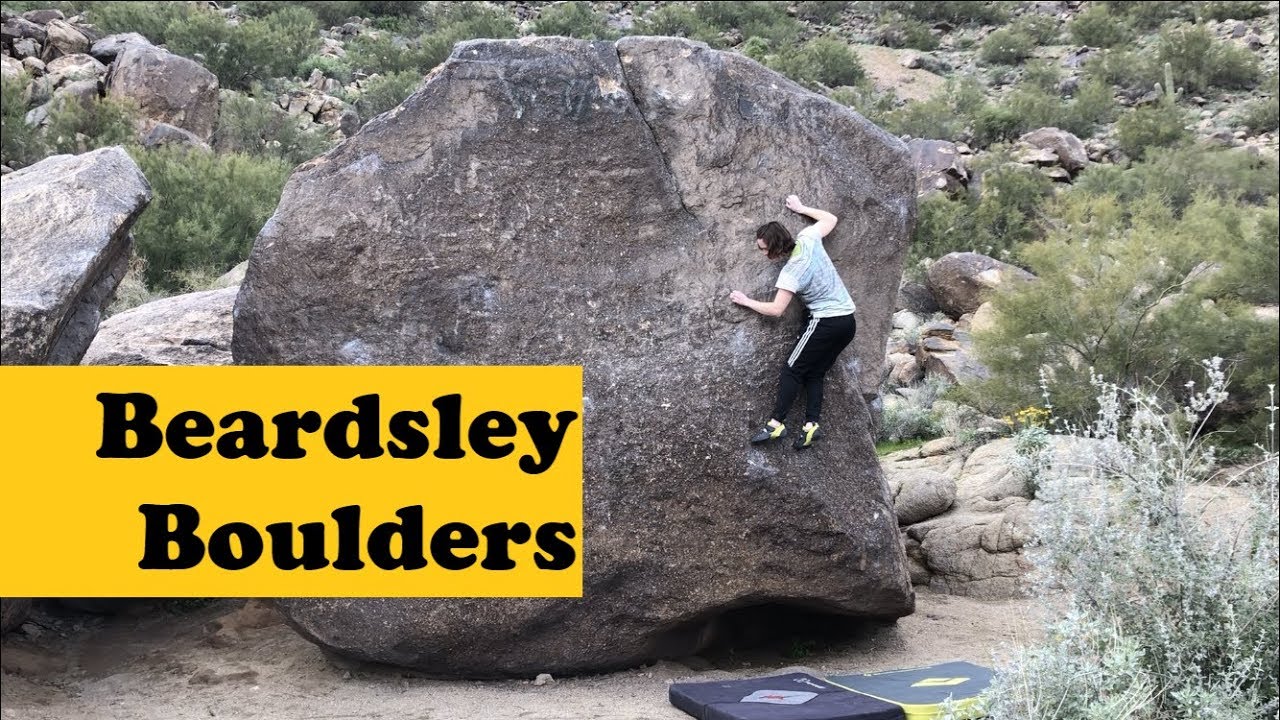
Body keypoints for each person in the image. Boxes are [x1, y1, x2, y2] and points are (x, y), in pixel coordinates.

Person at [729, 195, 857, 450]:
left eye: (764, 248)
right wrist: (801, 209)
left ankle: (777, 423)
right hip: (847, 322)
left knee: (792, 368)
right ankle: (812, 425)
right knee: (815, 372)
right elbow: (830, 219)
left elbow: (777, 309)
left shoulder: (792, 271)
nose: (763, 253)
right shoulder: (808, 238)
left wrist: (746, 301)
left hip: (826, 322)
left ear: (775, 247)